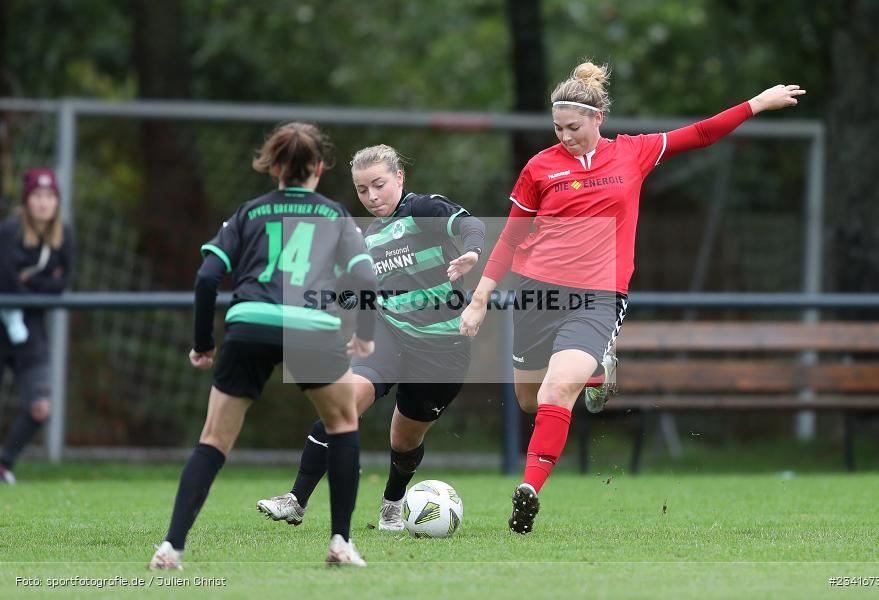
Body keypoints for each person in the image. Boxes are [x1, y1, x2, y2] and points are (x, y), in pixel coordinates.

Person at [459, 61, 805, 534]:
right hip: (537, 293)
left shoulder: (633, 153)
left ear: (598, 118)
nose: (565, 136)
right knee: (528, 401)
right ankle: (600, 370)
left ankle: (529, 491)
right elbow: (511, 238)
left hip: (599, 295)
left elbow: (701, 134)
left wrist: (756, 104)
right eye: (558, 128)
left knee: (556, 390)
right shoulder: (539, 168)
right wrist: (480, 298)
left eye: (574, 127)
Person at [149, 122, 378, 569]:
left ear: (273, 165)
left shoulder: (249, 213)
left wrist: (203, 344)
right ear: (317, 168)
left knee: (213, 439)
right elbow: (365, 276)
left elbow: (206, 278)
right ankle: (340, 543)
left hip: (250, 324)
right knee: (343, 424)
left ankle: (171, 547)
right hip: (312, 328)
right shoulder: (334, 214)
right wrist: (365, 335)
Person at [256, 144, 485, 530]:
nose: (372, 197)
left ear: (399, 178)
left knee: (404, 440)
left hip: (443, 349)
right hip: (390, 334)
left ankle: (392, 504)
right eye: (363, 190)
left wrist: (473, 253)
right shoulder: (369, 238)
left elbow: (472, 225)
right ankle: (296, 499)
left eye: (379, 185)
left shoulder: (423, 209)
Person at [0, 168, 74, 484]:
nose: (44, 203)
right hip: (2, 323)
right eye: (37, 196)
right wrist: (40, 285)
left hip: (32, 327)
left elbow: (63, 283)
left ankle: (4, 464)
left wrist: (30, 283)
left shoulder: (64, 235)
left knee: (41, 405)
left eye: (49, 196)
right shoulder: (10, 231)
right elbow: (7, 280)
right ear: (27, 200)